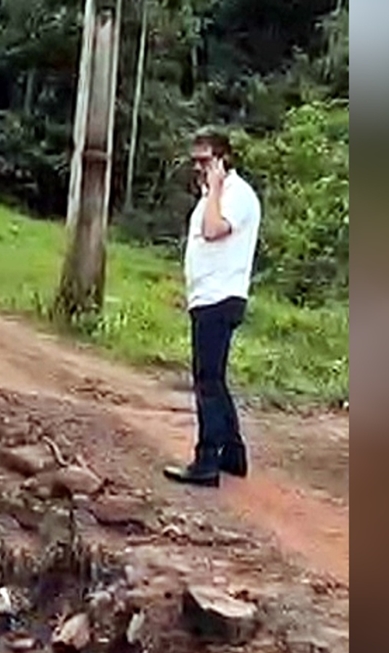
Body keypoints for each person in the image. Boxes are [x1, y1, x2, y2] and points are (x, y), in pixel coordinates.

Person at [163, 128, 262, 488]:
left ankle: (207, 460)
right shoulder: (214, 196)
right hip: (208, 296)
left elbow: (213, 231)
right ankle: (233, 455)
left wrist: (217, 187)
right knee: (214, 378)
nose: (199, 168)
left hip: (221, 298)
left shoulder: (235, 195)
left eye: (206, 161)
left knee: (207, 380)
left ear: (224, 159)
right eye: (196, 162)